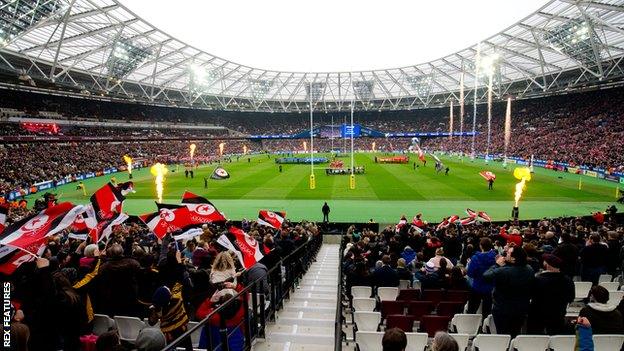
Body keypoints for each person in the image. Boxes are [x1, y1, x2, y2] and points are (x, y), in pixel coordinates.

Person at [483, 245, 534, 338]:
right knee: (515, 334)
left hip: (503, 309)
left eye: (508, 253)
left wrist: (497, 265)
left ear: (514, 258)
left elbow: (486, 276)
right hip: (521, 308)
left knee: (503, 335)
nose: (506, 254)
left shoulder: (504, 271)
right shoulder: (529, 269)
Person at [527, 254, 575, 335]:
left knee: (535, 337)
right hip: (558, 313)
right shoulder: (568, 280)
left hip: (537, 314)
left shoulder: (537, 279)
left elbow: (530, 295)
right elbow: (571, 298)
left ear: (547, 265)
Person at [466, 238, 497, 319]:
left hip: (477, 287)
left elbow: (470, 273)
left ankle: (472, 327)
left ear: (481, 246)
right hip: (489, 288)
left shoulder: (475, 258)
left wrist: (470, 264)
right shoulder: (495, 258)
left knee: (471, 311)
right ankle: (485, 328)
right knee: (487, 312)